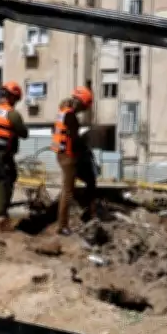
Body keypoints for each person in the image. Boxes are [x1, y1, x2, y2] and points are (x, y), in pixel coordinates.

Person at [52, 85, 95, 235]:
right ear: (80, 102)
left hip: (62, 153)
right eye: (84, 107)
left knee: (88, 180)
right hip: (68, 156)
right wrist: (84, 142)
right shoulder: (70, 116)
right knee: (68, 191)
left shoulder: (62, 111)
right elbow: (74, 139)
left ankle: (87, 212)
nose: (83, 110)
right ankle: (62, 226)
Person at [0, 81, 28, 231]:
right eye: (16, 99)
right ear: (11, 97)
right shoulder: (12, 114)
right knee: (4, 181)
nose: (16, 102)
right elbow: (24, 133)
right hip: (2, 155)